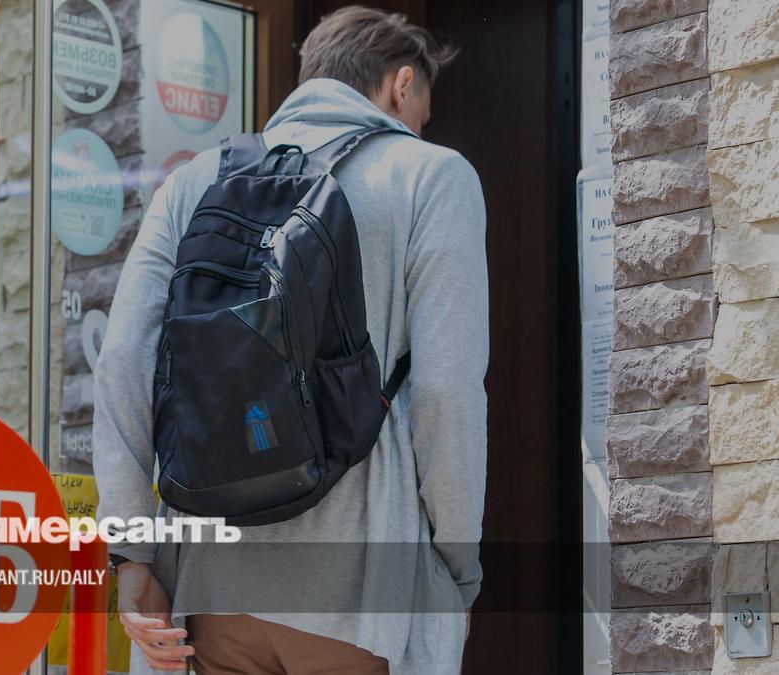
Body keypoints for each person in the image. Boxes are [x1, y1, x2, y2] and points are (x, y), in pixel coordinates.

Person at [93, 6, 488, 673]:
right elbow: (446, 393)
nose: (421, 127)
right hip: (362, 595)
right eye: (423, 111)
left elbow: (122, 362)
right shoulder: (432, 176)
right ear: (401, 85)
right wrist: (455, 568)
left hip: (211, 596)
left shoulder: (195, 181)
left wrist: (132, 556)